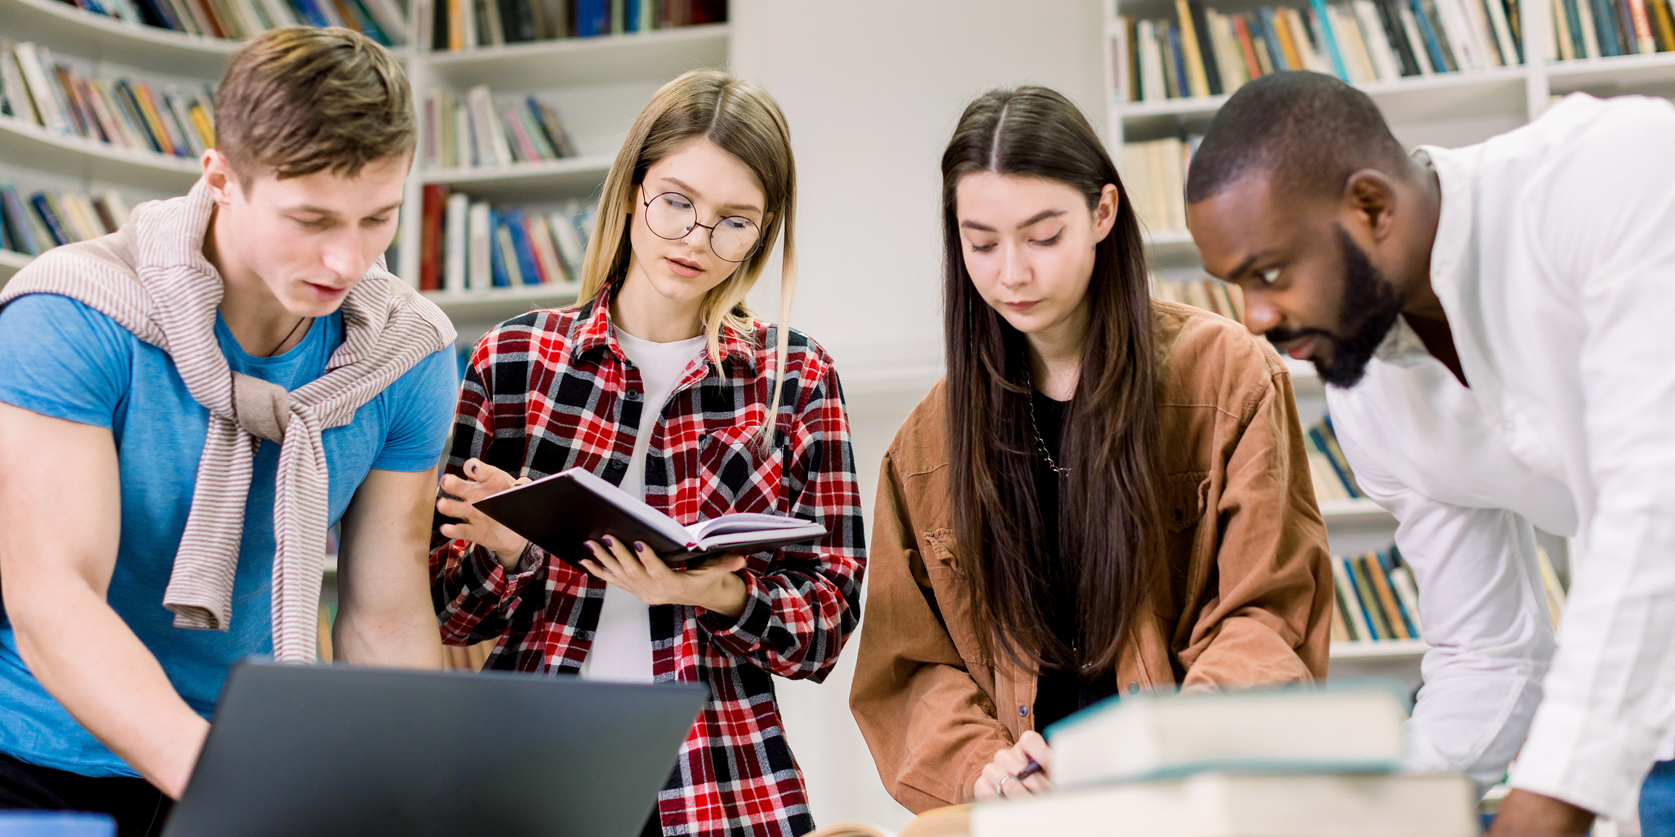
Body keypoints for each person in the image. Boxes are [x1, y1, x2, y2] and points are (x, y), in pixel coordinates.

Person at [1183, 70, 1675, 836]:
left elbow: (1657, 513)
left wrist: (1540, 805)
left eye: (1268, 272)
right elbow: (1488, 652)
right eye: (1234, 287)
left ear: (1371, 205)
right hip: (1648, 751)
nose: (1253, 319)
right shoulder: (1364, 391)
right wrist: (1389, 816)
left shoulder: (1611, 175)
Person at [0, 27, 457, 837]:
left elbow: (383, 618)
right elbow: (52, 597)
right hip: (38, 756)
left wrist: (415, 788)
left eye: (377, 218)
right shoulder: (72, 315)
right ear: (221, 180)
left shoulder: (405, 356)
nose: (348, 258)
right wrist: (230, 783)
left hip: (250, 751)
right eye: (311, 218)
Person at [847, 85, 1333, 813]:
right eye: (980, 243)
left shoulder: (1226, 377)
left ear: (1103, 212)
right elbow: (908, 665)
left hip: (1190, 801)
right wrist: (983, 765)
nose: (1010, 272)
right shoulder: (926, 445)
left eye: (1042, 236)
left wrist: (1159, 746)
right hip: (1028, 815)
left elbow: (1267, 611)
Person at [429, 69, 864, 837]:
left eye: (735, 221)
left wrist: (713, 593)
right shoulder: (513, 360)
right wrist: (511, 551)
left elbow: (826, 624)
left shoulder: (793, 377)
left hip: (722, 780)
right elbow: (449, 614)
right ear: (633, 190)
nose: (697, 239)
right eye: (677, 203)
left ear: (764, 233)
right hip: (526, 769)